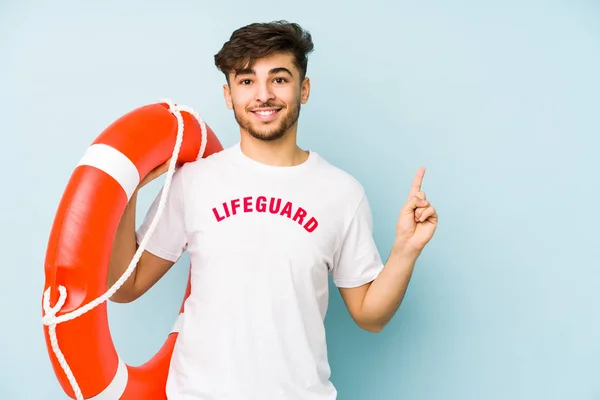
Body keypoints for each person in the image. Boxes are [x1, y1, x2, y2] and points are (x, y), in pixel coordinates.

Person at [108, 20, 438, 400]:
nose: (263, 95)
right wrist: (127, 188)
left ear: (305, 89)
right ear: (228, 95)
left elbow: (370, 315)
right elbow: (125, 287)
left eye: (279, 79)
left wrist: (406, 250)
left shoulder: (342, 193)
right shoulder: (193, 181)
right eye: (246, 81)